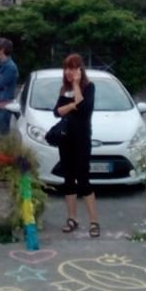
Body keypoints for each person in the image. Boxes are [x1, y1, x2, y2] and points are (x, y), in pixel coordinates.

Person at [53, 54, 99, 238]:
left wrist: (76, 86)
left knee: (83, 178)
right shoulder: (63, 89)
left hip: (82, 140)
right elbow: (57, 111)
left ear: (80, 70)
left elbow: (85, 108)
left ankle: (94, 221)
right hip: (66, 140)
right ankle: (72, 218)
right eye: (67, 68)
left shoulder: (89, 87)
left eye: (73, 68)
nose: (69, 72)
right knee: (68, 179)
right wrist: (72, 105)